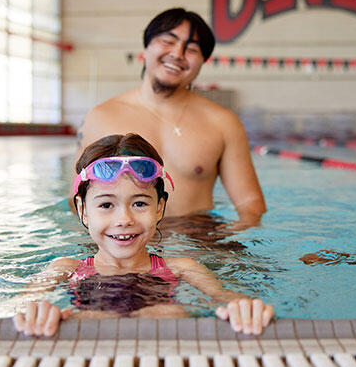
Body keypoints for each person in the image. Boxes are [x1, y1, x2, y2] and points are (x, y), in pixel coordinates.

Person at [14, 134, 275, 336]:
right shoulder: (65, 269)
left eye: (139, 203)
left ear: (159, 208)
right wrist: (38, 313)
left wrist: (245, 308)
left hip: (164, 358)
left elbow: (228, 299)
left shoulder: (182, 268)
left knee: (169, 313)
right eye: (106, 205)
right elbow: (13, 308)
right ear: (83, 210)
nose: (124, 220)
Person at [76, 8, 266, 228]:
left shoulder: (223, 123)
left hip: (196, 241)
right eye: (168, 41)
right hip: (121, 239)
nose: (177, 54)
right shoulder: (100, 117)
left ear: (203, 61)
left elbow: (250, 204)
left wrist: (226, 241)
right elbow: (77, 200)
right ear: (146, 46)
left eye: (192, 49)